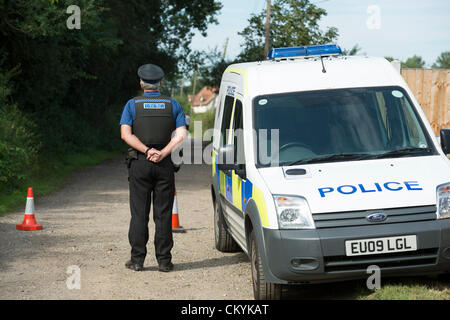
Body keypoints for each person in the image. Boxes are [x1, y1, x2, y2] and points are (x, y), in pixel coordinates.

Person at [119, 64, 187, 272]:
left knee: (139, 213)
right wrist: (163, 152)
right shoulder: (173, 104)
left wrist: (147, 151)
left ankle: (137, 260)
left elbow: (126, 134)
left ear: (141, 83)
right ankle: (164, 261)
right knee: (164, 214)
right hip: (164, 164)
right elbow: (181, 134)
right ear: (160, 83)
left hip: (140, 164)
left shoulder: (132, 105)